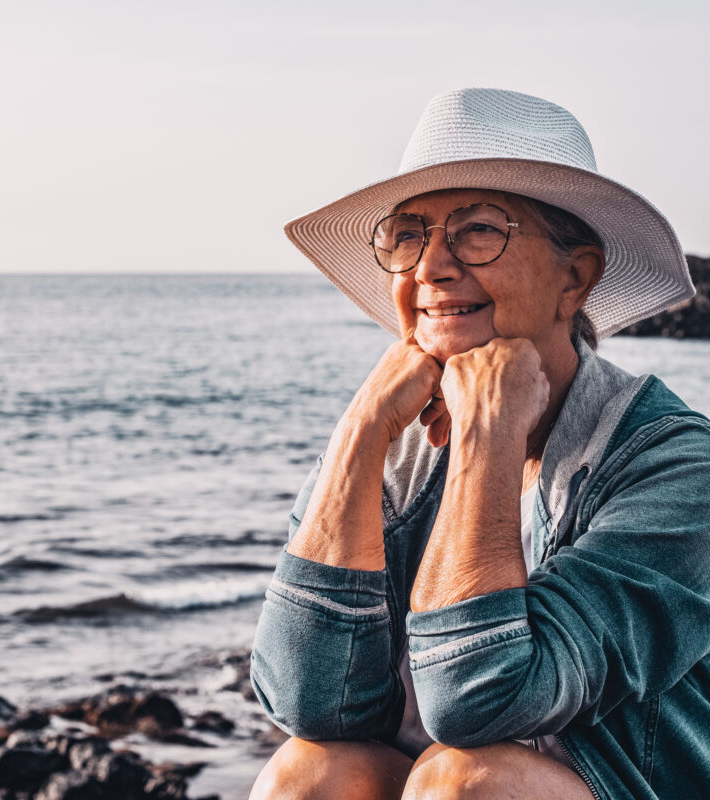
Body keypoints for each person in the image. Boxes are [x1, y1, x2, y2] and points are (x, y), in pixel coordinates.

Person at [248, 89, 710, 799]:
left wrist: (490, 436)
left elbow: (474, 700)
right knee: (311, 772)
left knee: (462, 782)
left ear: (575, 276)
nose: (431, 266)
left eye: (477, 231)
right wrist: (363, 427)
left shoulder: (676, 468)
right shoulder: (397, 448)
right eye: (410, 235)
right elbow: (308, 700)